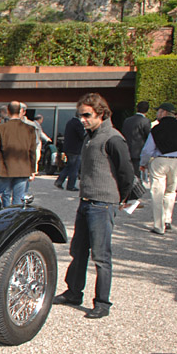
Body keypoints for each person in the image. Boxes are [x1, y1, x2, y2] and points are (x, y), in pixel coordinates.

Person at [54, 93, 134, 320]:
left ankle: (102, 302)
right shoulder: (91, 136)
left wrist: (122, 197)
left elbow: (127, 172)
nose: (82, 119)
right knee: (78, 251)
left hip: (102, 204)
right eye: (80, 115)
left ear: (101, 113)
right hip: (87, 201)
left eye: (87, 115)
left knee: (101, 256)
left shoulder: (113, 138)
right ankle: (73, 293)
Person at [140, 102, 177, 235]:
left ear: (163, 112)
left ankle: (159, 225)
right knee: (171, 191)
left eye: (158, 111)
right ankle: (167, 219)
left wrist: (143, 163)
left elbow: (148, 150)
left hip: (160, 161)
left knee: (157, 193)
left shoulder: (157, 129)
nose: (156, 114)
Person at [0, 100, 36, 206]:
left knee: (1, 197)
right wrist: (33, 169)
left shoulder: (0, 129)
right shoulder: (30, 129)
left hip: (4, 168)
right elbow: (32, 151)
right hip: (23, 168)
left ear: (8, 111)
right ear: (21, 111)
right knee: (19, 200)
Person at [55, 113, 86, 191]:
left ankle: (59, 181)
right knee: (74, 168)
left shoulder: (70, 122)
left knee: (69, 166)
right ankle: (70, 185)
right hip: (76, 149)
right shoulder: (78, 124)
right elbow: (82, 136)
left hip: (68, 148)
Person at [122, 101, 151, 177]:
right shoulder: (146, 121)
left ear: (137, 108)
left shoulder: (127, 120)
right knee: (137, 175)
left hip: (127, 149)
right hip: (139, 151)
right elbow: (148, 137)